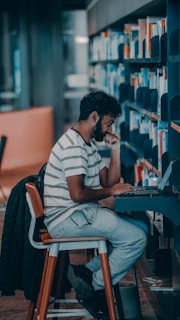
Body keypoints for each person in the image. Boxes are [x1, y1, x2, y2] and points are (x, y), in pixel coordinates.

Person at [43, 90, 147, 319]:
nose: (110, 129)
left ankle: (85, 274)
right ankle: (95, 286)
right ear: (94, 117)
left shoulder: (86, 143)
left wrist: (115, 151)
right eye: (109, 123)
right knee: (136, 238)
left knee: (140, 229)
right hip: (67, 218)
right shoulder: (73, 147)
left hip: (79, 213)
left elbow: (108, 180)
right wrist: (111, 191)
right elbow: (78, 194)